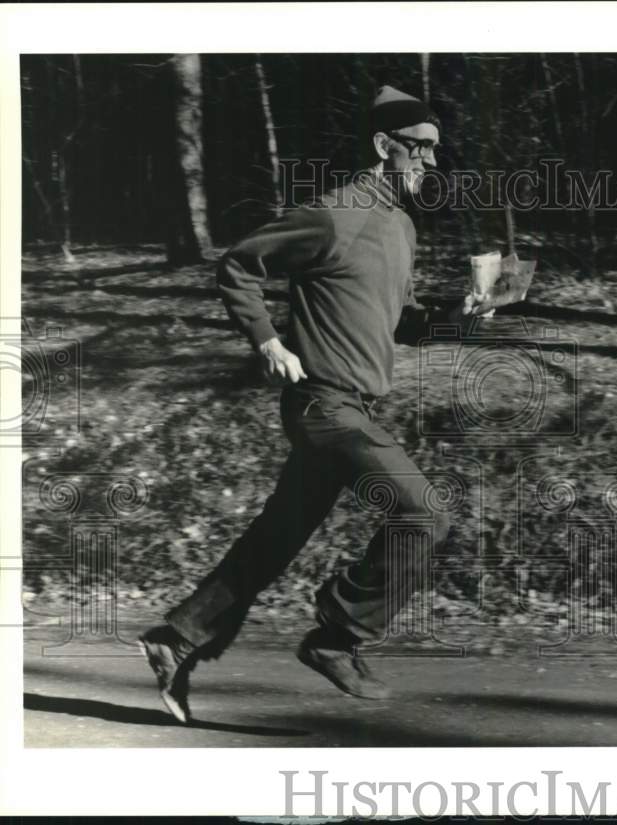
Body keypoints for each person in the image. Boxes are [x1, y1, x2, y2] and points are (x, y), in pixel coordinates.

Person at [138, 86, 491, 722]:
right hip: (324, 407)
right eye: (420, 149)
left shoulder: (400, 226)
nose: (431, 163)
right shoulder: (332, 216)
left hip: (356, 406)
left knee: (277, 537)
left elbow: (401, 322)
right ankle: (337, 636)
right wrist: (267, 340)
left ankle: (177, 638)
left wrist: (457, 317)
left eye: (436, 151)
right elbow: (238, 265)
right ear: (384, 146)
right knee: (424, 512)